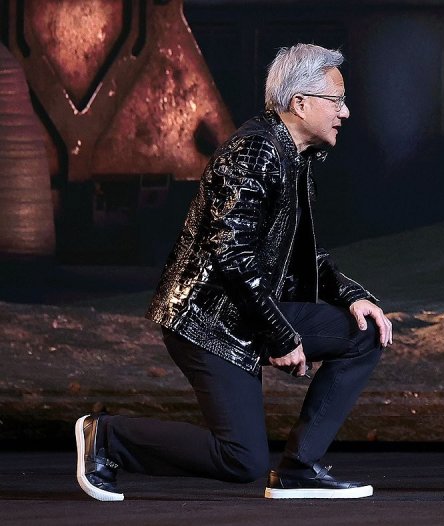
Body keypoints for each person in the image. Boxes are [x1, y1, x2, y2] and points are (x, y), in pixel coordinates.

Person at [75, 44, 392, 501]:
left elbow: (303, 252)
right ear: (300, 103)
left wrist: (351, 295)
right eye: (337, 100)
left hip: (247, 310)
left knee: (363, 331)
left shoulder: (295, 156)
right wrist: (281, 335)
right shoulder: (255, 151)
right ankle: (107, 437)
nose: (345, 112)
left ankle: (299, 469)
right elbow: (231, 254)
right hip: (208, 321)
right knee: (242, 460)